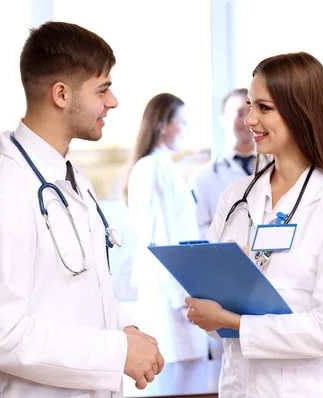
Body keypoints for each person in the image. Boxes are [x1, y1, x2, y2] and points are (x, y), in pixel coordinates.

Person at [0, 21, 163, 397]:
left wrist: (124, 328)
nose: (112, 102)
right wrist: (118, 352)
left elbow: (79, 290)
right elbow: (0, 336)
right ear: (61, 94)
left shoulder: (69, 178)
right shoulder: (0, 194)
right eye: (103, 89)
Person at [185, 52, 323, 397]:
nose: (249, 120)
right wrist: (214, 308)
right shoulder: (236, 198)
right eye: (248, 106)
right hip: (239, 388)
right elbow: (212, 319)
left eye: (263, 108)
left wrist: (232, 319)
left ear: (300, 110)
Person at [125, 93, 209, 364]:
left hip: (174, 287)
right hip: (168, 292)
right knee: (176, 374)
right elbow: (160, 239)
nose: (185, 130)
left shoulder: (163, 167)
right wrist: (180, 298)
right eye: (181, 123)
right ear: (162, 124)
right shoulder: (152, 168)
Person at [191, 88, 257, 239]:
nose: (247, 120)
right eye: (239, 113)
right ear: (223, 120)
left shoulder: (274, 169)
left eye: (251, 112)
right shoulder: (203, 178)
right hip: (223, 259)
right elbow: (200, 230)